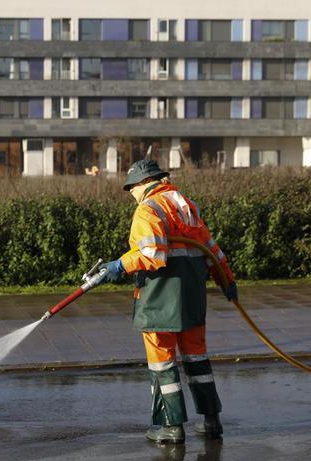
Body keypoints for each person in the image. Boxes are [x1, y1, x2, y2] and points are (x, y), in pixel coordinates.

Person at [101, 159, 237, 444]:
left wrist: (118, 266)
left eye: (131, 189)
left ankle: (171, 427)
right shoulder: (186, 206)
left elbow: (152, 255)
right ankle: (212, 421)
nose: (132, 195)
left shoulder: (148, 209)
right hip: (191, 299)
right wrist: (227, 280)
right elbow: (211, 250)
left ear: (142, 184)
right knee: (197, 358)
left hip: (159, 298)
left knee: (162, 363)